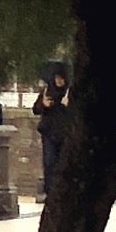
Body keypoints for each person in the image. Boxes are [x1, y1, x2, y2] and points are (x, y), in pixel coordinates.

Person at [33, 64, 70, 198]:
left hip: (65, 133)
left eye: (61, 79)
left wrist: (67, 106)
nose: (59, 81)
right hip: (49, 133)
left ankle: (63, 190)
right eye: (57, 78)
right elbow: (35, 109)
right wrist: (43, 104)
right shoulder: (47, 91)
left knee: (63, 162)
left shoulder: (69, 93)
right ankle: (50, 190)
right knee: (49, 162)